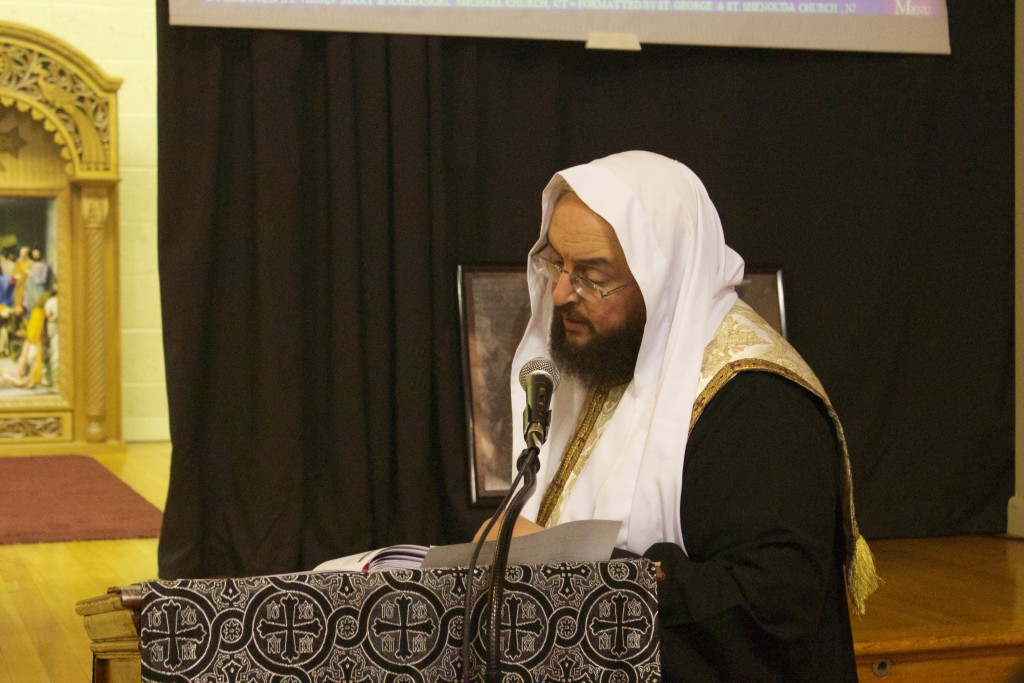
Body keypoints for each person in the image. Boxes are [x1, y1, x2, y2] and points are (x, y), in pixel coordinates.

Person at [506, 151, 878, 682]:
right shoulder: (616, 357)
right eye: (557, 264)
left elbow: (768, 612)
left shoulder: (758, 402)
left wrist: (561, 568)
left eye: (591, 274)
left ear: (663, 277)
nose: (562, 292)